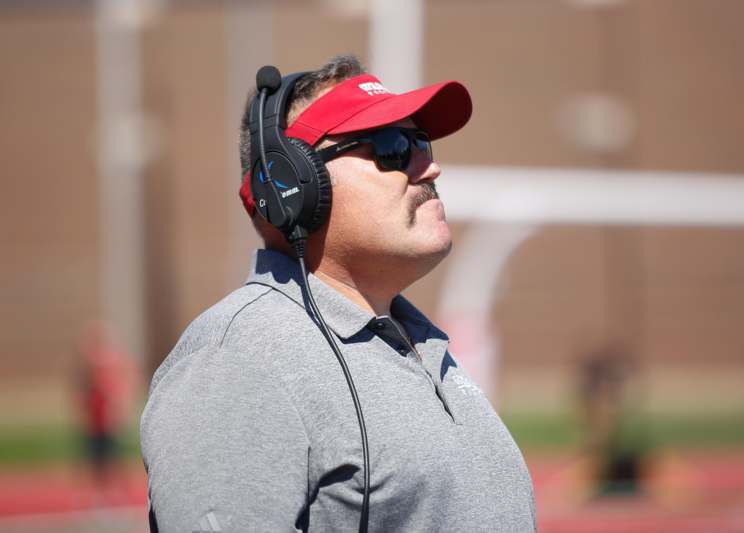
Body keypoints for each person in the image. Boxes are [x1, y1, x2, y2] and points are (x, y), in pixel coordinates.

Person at [140, 54, 535, 532]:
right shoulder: (239, 361)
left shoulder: (421, 345)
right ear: (292, 186)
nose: (430, 168)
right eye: (392, 147)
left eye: (422, 142)